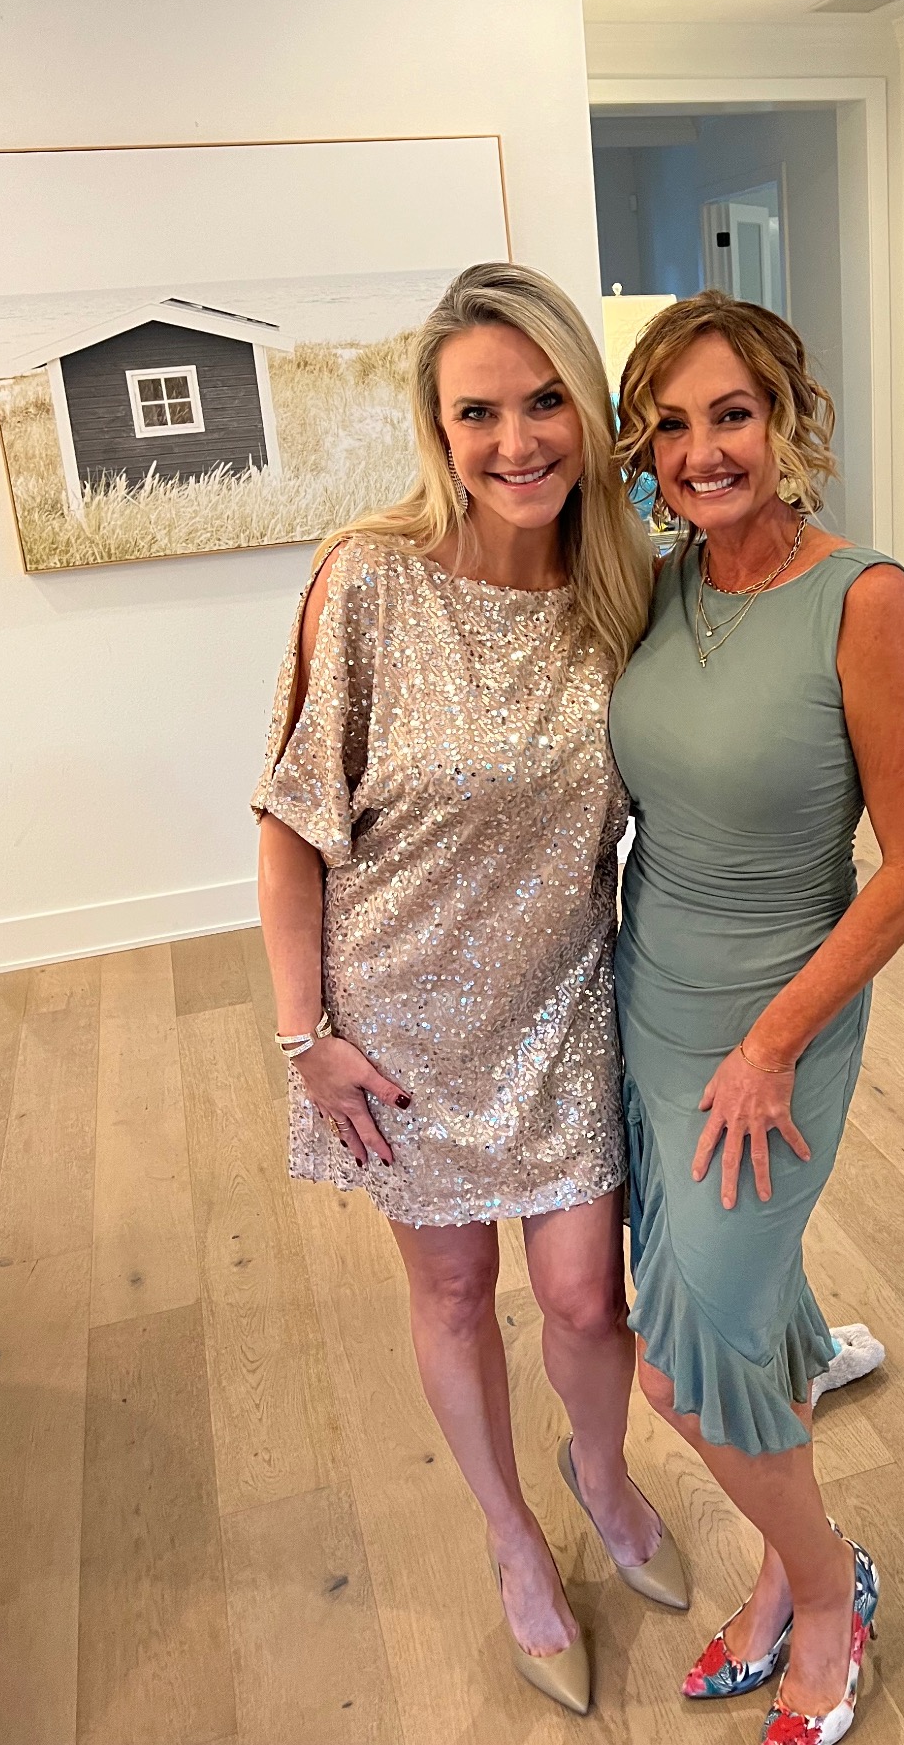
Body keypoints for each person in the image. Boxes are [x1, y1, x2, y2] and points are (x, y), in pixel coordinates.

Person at [253, 262, 688, 1717]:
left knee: (585, 1300)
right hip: (398, 1028)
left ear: (590, 411)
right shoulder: (367, 579)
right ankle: (513, 1542)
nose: (517, 441)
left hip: (565, 1005)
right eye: (478, 413)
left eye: (546, 400)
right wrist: (305, 1036)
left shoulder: (625, 592)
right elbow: (292, 821)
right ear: (437, 430)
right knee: (451, 1290)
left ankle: (602, 1478)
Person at [611, 291, 904, 1745]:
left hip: (779, 1026)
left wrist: (771, 1044)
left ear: (786, 422)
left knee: (679, 1359)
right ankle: (780, 1560)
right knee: (727, 1309)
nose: (704, 452)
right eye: (672, 426)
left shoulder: (864, 599)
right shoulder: (661, 586)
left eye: (732, 415)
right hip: (650, 1000)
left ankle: (825, 1591)